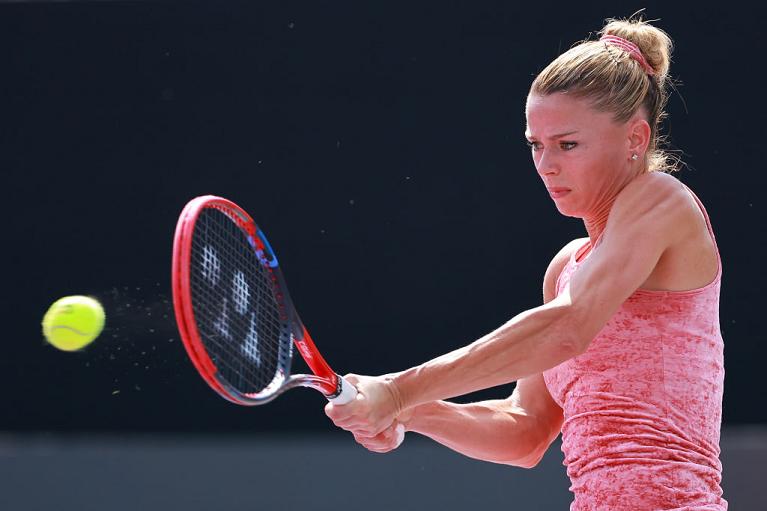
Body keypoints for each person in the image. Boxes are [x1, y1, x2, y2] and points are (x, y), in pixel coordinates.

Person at [325, 16, 727, 511]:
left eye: (568, 144)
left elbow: (569, 327)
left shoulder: (663, 201)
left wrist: (398, 390)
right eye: (536, 144)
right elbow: (525, 430)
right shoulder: (565, 268)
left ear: (635, 140)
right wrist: (409, 413)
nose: (546, 165)